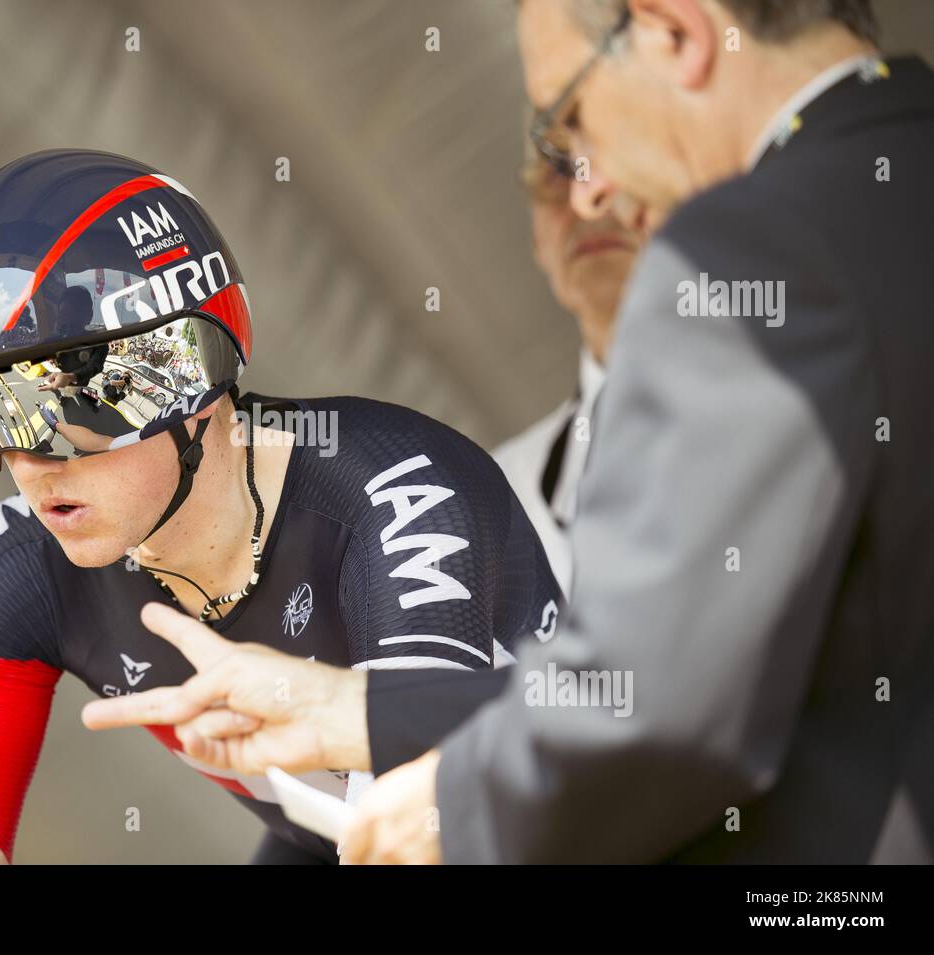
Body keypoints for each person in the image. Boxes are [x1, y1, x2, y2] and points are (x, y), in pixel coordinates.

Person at [83, 0, 934, 864]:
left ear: (674, 30)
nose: (592, 186)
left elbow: (663, 706)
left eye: (571, 117)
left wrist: (457, 802)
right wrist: (365, 714)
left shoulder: (751, 246)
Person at [0, 149, 562, 864]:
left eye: (58, 403)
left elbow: (434, 819)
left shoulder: (398, 492)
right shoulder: (17, 565)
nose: (25, 463)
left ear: (187, 370)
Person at [496, 145, 640, 593]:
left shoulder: (800, 410)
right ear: (538, 241)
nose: (584, 198)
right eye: (556, 172)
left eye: (616, 158)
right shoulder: (494, 495)